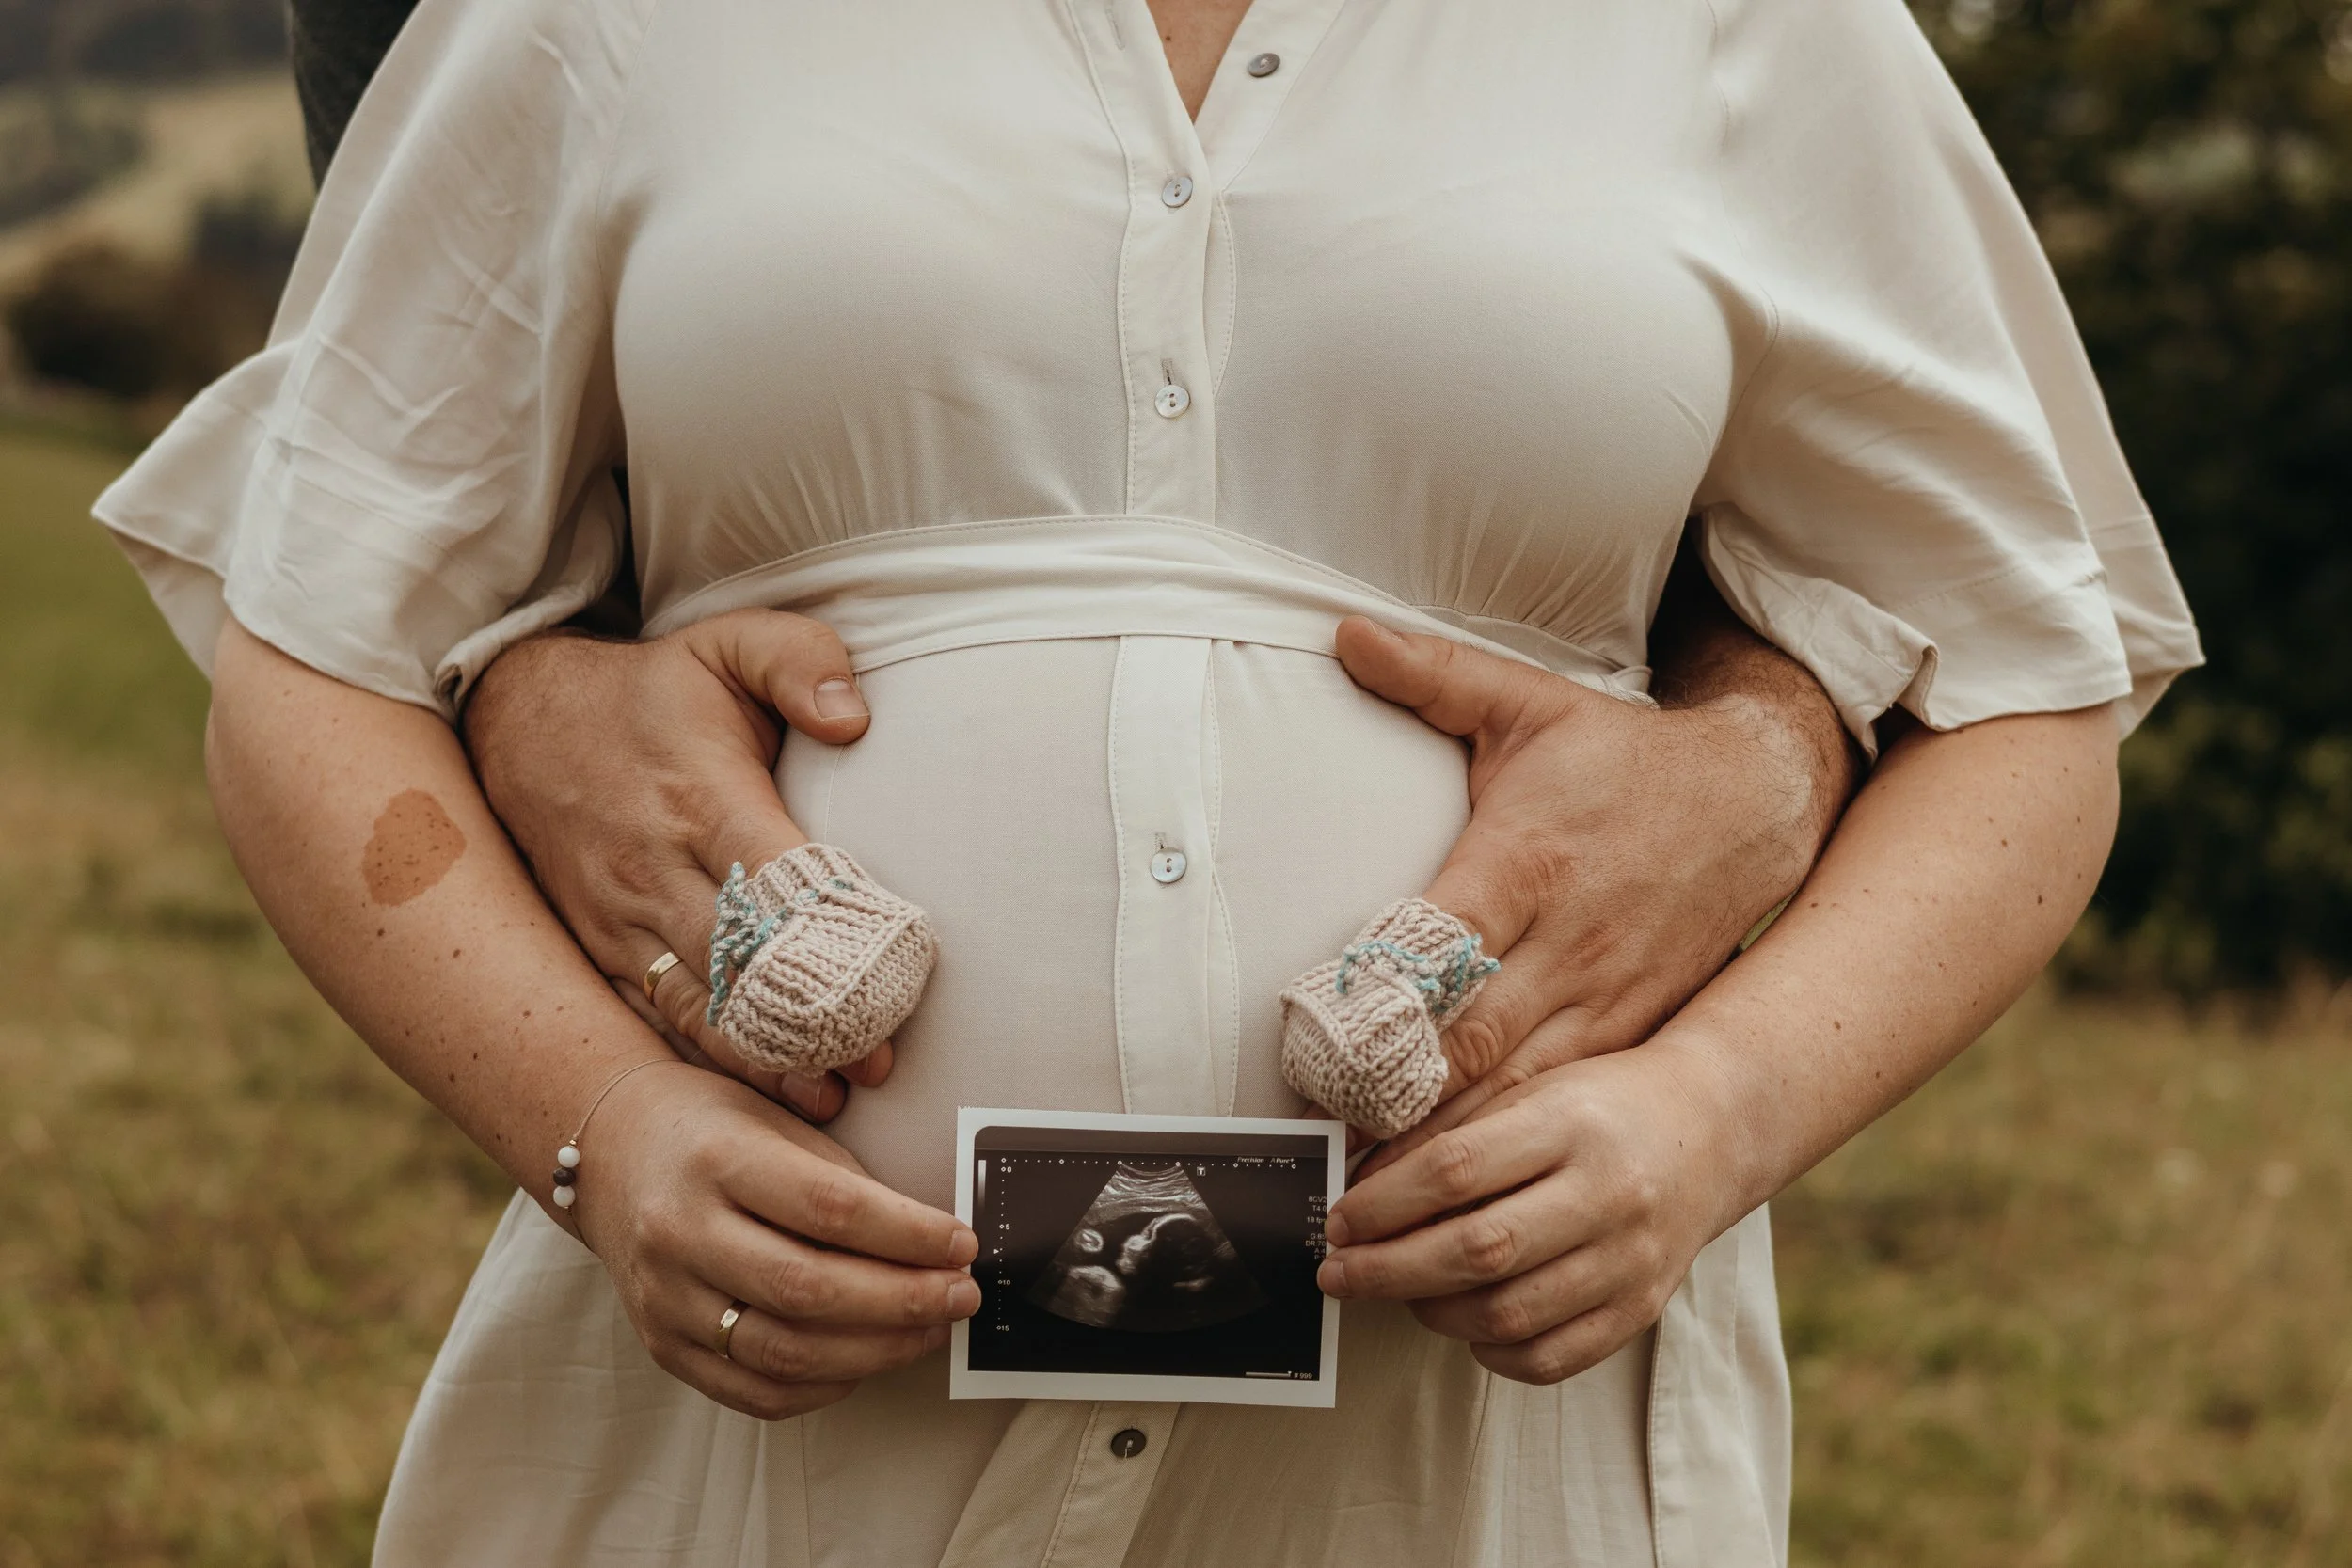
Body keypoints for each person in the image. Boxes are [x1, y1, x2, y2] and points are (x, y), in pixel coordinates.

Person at [93, 1, 2202, 1565]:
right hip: (743, 1445)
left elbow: (2017, 685)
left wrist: (1713, 1109)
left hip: (1466, 1463)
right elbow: (320, 650)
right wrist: (599, 1124)